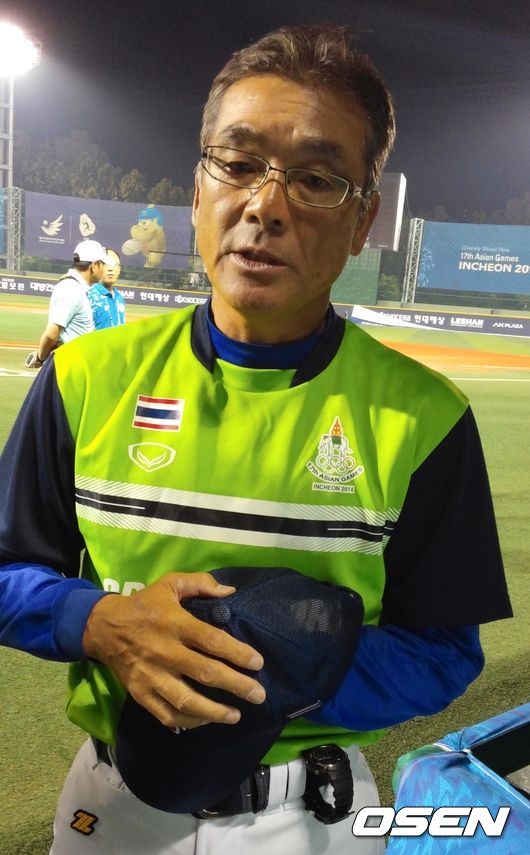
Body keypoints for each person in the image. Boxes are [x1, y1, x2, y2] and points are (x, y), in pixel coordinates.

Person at [0, 24, 512, 855]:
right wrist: (99, 622)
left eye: (316, 179)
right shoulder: (82, 378)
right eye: (237, 164)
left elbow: (445, 650)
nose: (266, 205)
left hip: (312, 815)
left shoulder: (427, 418)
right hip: (112, 804)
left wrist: (265, 670)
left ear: (362, 221)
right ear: (198, 190)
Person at [28, 239, 111, 368]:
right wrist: (40, 358)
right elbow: (51, 335)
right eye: (103, 264)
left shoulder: (75, 287)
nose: (105, 269)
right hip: (69, 366)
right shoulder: (70, 288)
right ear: (94, 266)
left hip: (75, 364)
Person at [88, 248, 126, 330]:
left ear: (119, 270)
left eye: (114, 264)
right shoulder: (89, 295)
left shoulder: (119, 297)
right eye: (106, 264)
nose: (110, 269)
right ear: (97, 267)